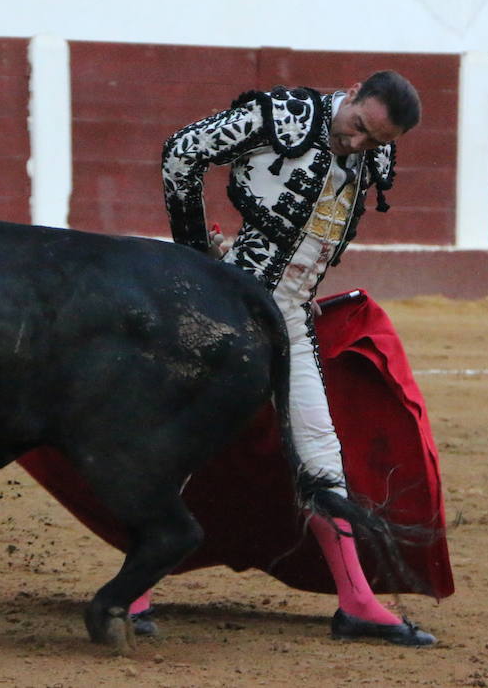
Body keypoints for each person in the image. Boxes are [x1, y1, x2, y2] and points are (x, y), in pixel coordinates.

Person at [160, 73, 436, 649]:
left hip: (289, 315)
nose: (360, 146)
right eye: (359, 127)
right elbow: (182, 152)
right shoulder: (277, 116)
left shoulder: (371, 155)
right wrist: (194, 259)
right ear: (353, 93)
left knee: (322, 457)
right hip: (229, 306)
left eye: (376, 142)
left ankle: (358, 602)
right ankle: (131, 593)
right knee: (180, 444)